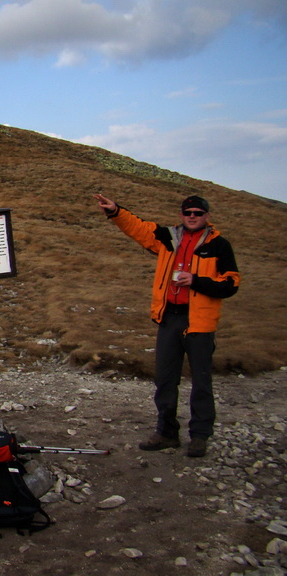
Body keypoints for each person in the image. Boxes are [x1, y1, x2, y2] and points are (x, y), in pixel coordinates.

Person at [93, 194, 239, 458]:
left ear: (207, 216)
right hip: (169, 318)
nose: (192, 216)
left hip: (200, 322)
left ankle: (199, 436)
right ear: (181, 215)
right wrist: (115, 211)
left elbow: (231, 284)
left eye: (197, 212)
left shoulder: (219, 245)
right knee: (165, 380)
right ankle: (167, 433)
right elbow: (139, 228)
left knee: (202, 382)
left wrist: (195, 281)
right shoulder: (169, 238)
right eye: (187, 212)